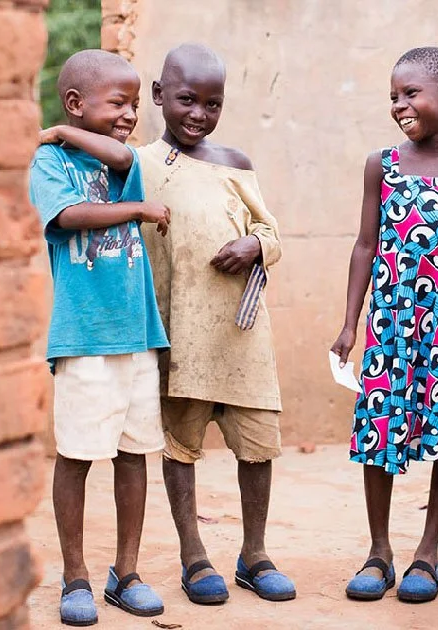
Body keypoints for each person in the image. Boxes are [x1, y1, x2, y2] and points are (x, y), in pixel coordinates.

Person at [331, 46, 438, 604]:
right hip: (390, 325)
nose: (399, 105)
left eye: (411, 93)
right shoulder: (382, 165)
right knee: (377, 429)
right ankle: (379, 551)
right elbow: (364, 245)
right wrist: (349, 322)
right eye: (393, 96)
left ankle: (427, 553)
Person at [136, 43, 296, 605]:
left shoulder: (235, 164)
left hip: (242, 333)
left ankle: (254, 554)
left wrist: (254, 244)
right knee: (181, 445)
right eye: (186, 100)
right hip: (180, 334)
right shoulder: (138, 167)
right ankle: (193, 555)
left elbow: (272, 233)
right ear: (159, 96)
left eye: (212, 103)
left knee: (258, 445)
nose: (198, 114)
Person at [29, 49, 173, 625]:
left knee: (135, 455)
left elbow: (120, 154)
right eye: (118, 103)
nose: (129, 114)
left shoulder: (122, 160)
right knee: (78, 456)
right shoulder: (49, 163)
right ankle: (76, 577)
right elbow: (65, 217)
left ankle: (126, 572)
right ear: (75, 102)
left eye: (135, 104)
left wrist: (68, 129)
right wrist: (137, 209)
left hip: (136, 333)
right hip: (84, 336)